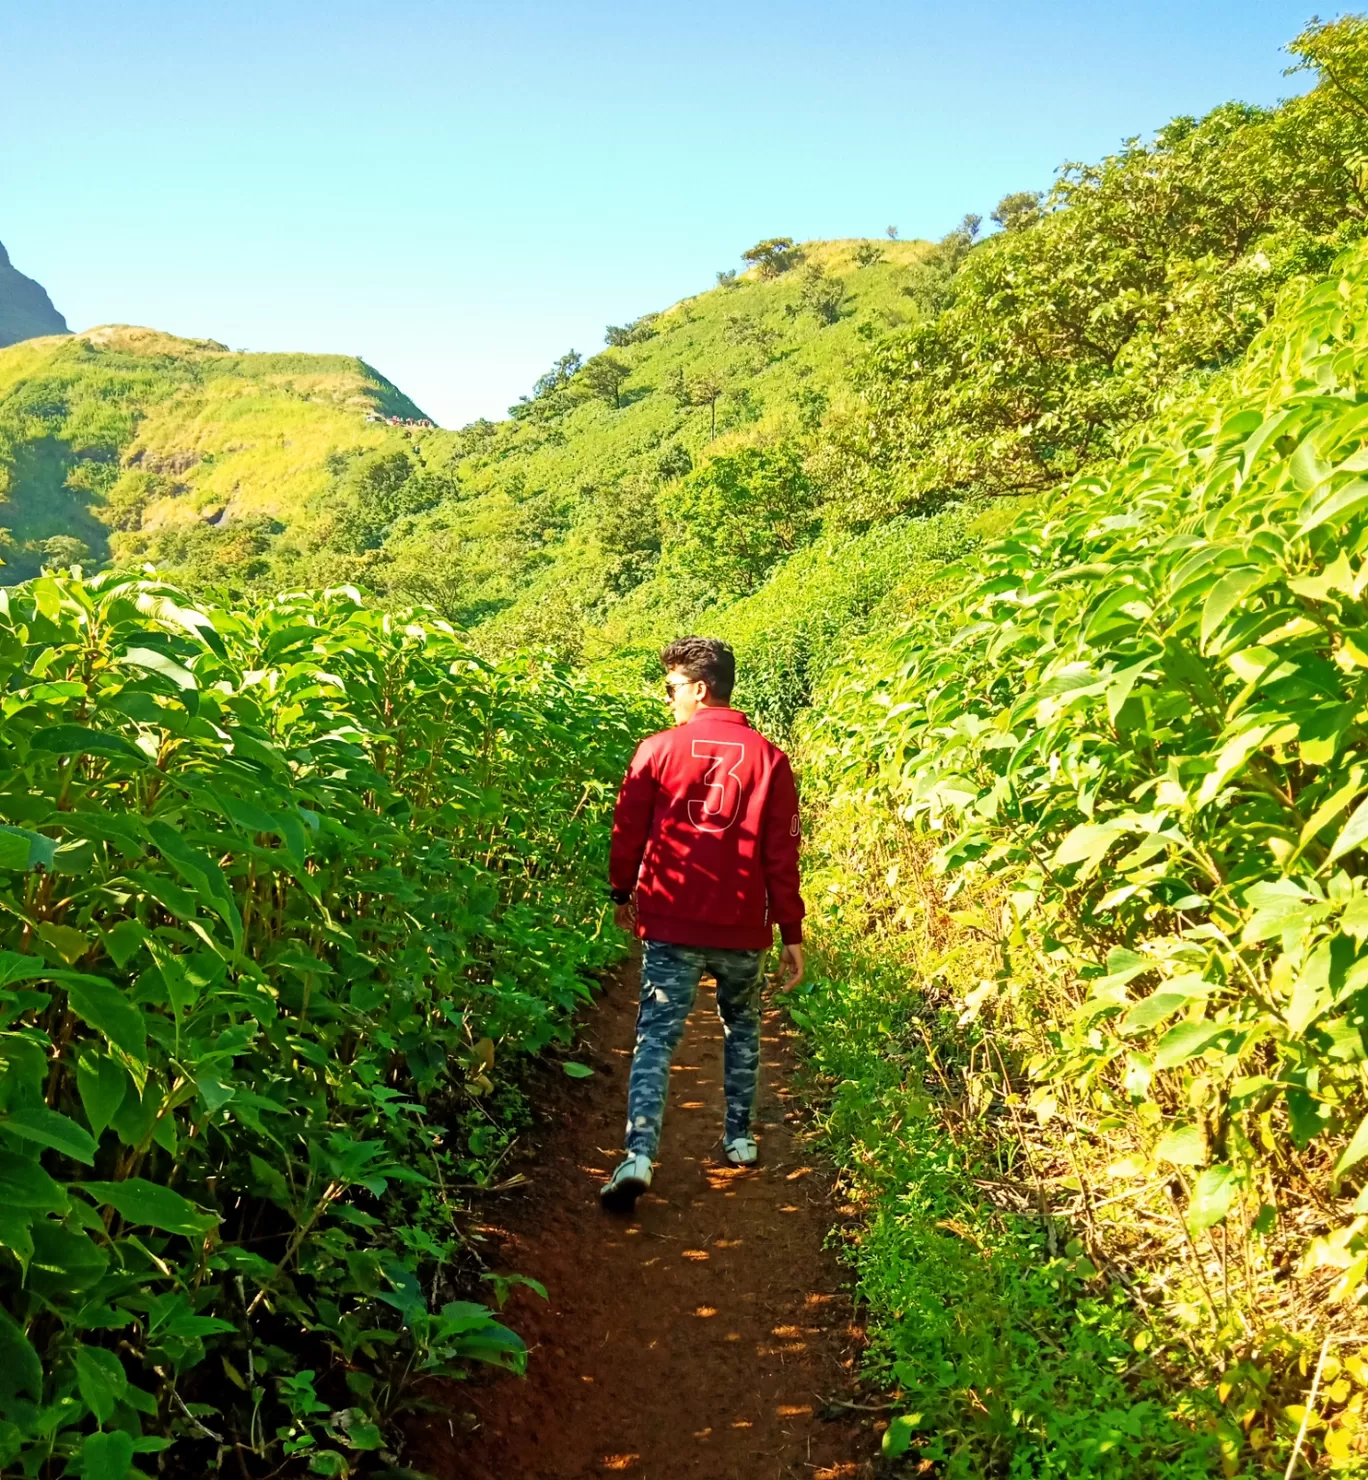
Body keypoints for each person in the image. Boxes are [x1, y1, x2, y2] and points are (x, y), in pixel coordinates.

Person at [600, 636, 806, 1211]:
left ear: (698, 687)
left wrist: (622, 892)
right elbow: (780, 857)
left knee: (656, 1038)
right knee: (742, 1025)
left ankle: (639, 1153)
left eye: (671, 689)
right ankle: (739, 1138)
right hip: (741, 926)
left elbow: (627, 832)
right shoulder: (770, 759)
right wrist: (791, 933)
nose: (669, 700)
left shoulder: (656, 751)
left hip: (671, 919)